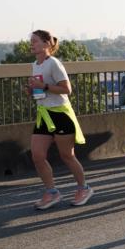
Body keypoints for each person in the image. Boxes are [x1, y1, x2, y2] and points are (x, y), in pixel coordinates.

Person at [26, 30, 93, 209]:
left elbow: (67, 89)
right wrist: (33, 90)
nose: (31, 44)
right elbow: (42, 89)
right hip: (44, 114)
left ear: (47, 44)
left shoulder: (54, 63)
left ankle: (84, 188)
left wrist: (44, 86)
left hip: (60, 114)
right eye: (30, 41)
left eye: (35, 41)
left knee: (67, 155)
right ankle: (52, 192)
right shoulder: (35, 64)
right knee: (37, 156)